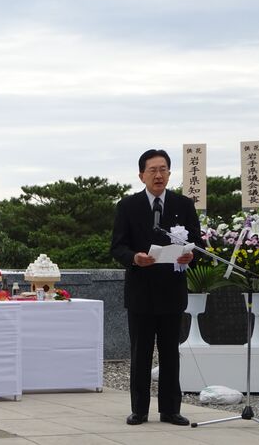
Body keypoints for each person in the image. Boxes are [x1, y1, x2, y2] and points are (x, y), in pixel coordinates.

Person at [110, 149, 200, 426]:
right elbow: (117, 247)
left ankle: (171, 410)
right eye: (153, 170)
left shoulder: (183, 204)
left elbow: (199, 244)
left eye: (163, 169)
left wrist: (191, 255)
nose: (158, 175)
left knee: (171, 352)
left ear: (170, 173)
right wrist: (135, 258)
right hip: (141, 291)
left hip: (172, 291)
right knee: (141, 353)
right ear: (141, 175)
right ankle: (139, 409)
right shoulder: (128, 206)